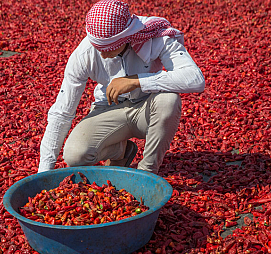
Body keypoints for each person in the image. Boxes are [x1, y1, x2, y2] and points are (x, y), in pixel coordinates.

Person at [38, 0, 205, 173]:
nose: (102, 54)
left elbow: (195, 79)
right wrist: (43, 173)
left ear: (125, 36)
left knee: (169, 100)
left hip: (148, 107)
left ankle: (147, 172)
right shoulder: (84, 54)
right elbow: (62, 113)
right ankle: (121, 151)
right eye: (98, 47)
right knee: (75, 155)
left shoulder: (156, 37)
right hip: (109, 108)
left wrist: (136, 81)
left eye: (108, 48)